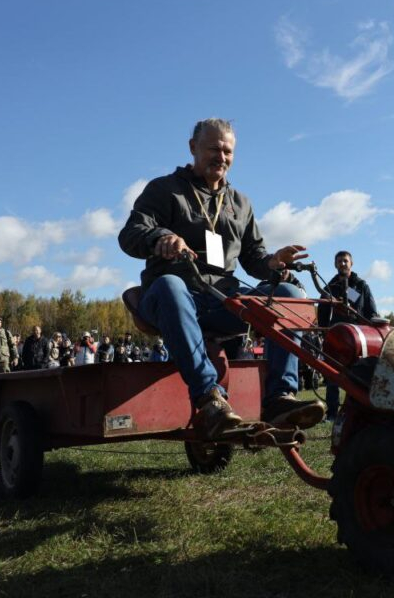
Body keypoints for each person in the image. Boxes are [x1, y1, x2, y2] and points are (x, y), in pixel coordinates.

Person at [118, 117, 325, 437]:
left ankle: (280, 398)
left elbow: (254, 259)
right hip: (171, 298)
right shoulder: (164, 189)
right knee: (172, 285)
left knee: (288, 293)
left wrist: (273, 262)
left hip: (223, 302)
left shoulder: (241, 203)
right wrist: (160, 237)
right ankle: (210, 398)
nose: (222, 157)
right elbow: (130, 234)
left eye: (228, 151)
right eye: (214, 148)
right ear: (192, 148)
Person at [316, 250, 379, 420]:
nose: (343, 264)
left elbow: (371, 311)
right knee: (332, 376)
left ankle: (359, 411)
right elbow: (322, 311)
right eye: (339, 261)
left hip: (359, 337)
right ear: (335, 264)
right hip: (337, 338)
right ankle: (332, 414)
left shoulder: (361, 285)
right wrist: (324, 333)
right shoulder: (330, 286)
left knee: (360, 375)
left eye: (345, 261)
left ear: (351, 263)